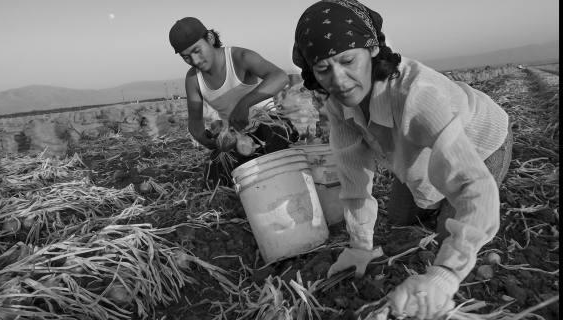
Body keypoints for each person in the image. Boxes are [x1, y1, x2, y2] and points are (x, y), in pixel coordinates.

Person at [292, 1, 512, 319]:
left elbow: (471, 185)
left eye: (347, 60)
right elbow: (354, 176)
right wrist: (359, 246)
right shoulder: (338, 104)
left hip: (479, 144)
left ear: (371, 50)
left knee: (446, 240)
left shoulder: (418, 94)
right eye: (323, 69)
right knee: (399, 222)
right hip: (413, 153)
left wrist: (445, 274)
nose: (338, 80)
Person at [169, 17, 298, 188]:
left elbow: (279, 77)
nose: (195, 60)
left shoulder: (240, 57)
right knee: (215, 180)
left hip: (268, 124)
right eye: (186, 57)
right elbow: (194, 120)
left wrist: (244, 104)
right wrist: (201, 137)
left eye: (197, 50)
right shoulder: (193, 79)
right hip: (233, 137)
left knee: (273, 160)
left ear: (210, 38)